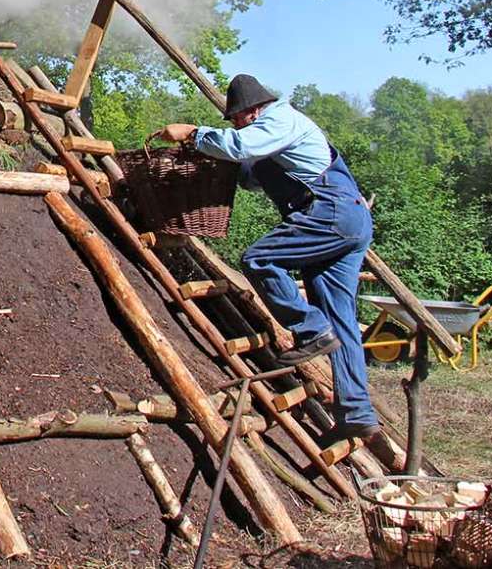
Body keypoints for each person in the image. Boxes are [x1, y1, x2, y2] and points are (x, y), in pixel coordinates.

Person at [152, 74, 379, 441]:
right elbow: (250, 173)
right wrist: (210, 158)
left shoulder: (279, 118)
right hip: (348, 219)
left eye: (236, 118)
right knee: (343, 321)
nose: (235, 124)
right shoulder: (274, 136)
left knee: (259, 259)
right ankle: (357, 412)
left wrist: (194, 134)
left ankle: (309, 328)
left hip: (331, 213)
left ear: (252, 110)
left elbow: (240, 146)